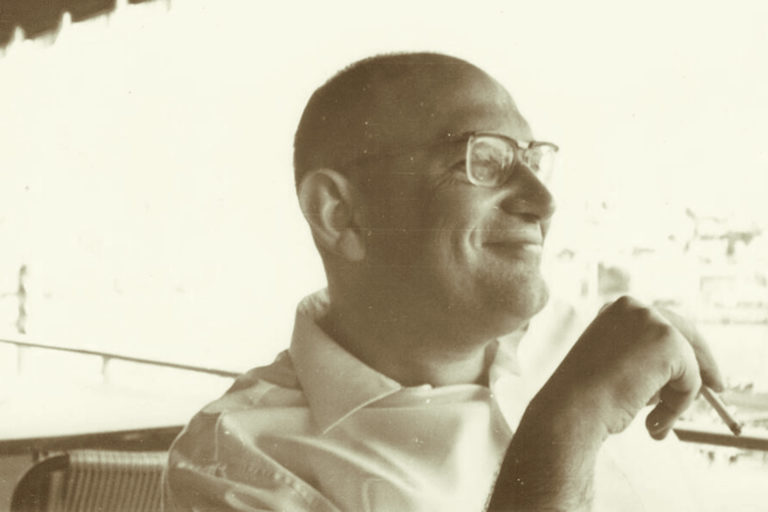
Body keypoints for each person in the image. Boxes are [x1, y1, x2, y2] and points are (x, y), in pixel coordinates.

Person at [163, 52, 723, 511]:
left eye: (532, 162)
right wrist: (567, 428)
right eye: (486, 161)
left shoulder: (590, 351)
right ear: (339, 214)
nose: (543, 201)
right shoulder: (237, 462)